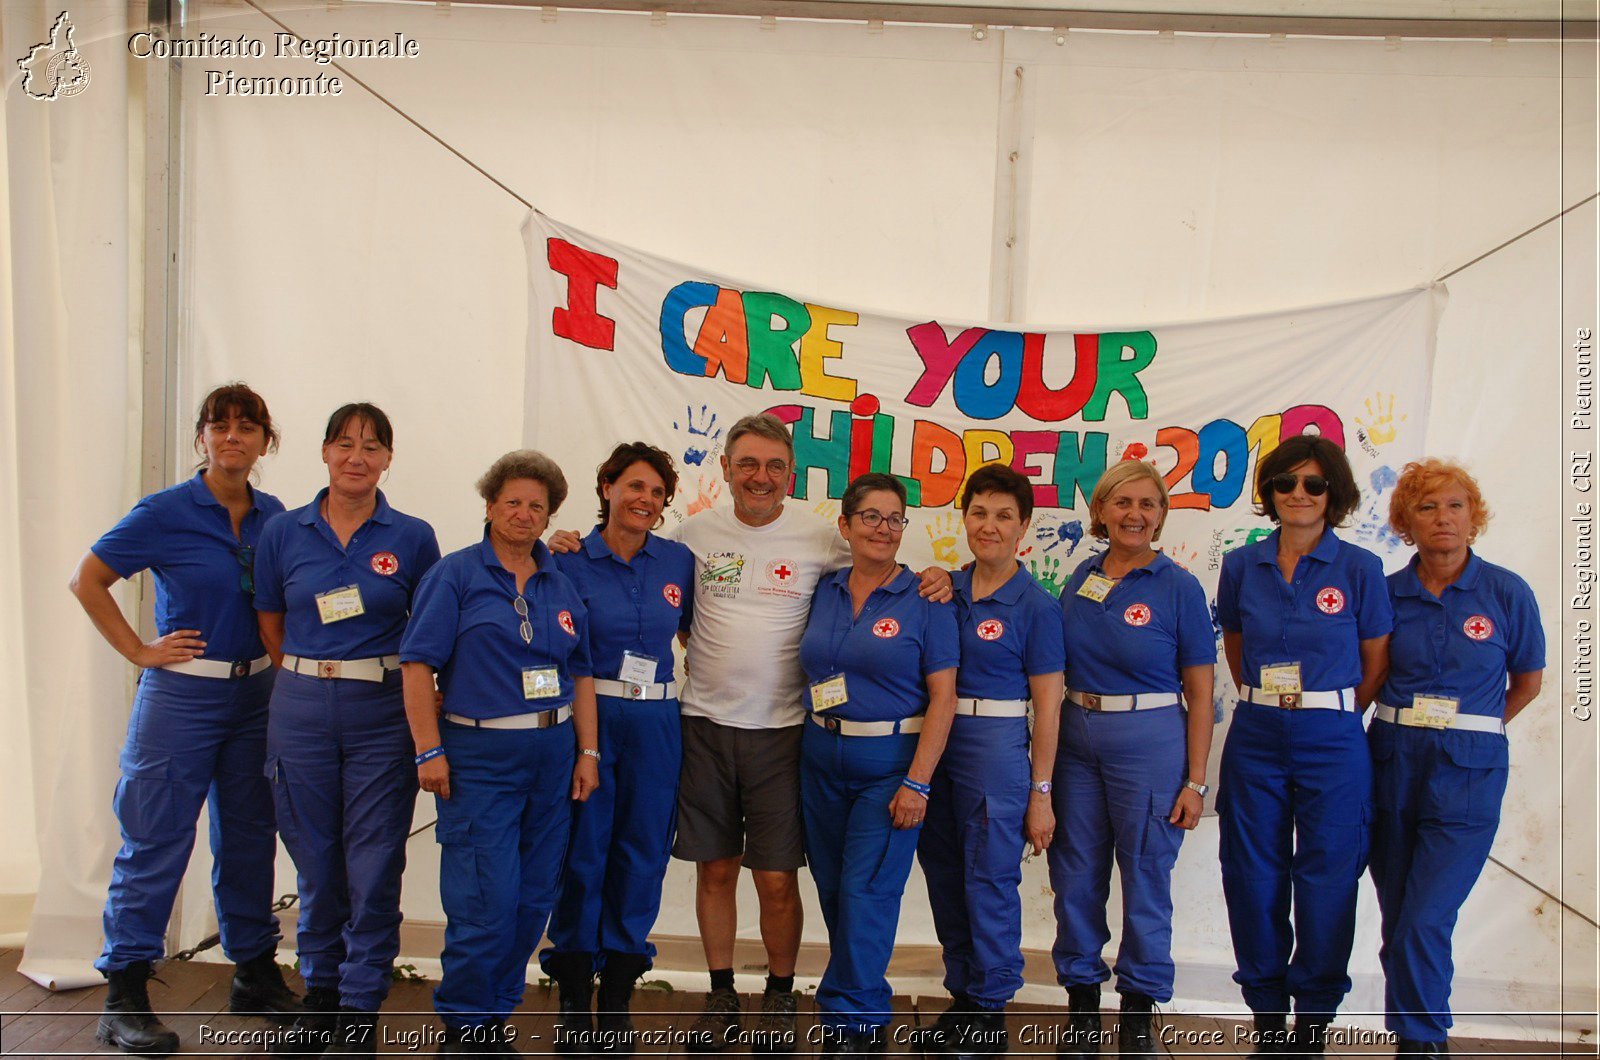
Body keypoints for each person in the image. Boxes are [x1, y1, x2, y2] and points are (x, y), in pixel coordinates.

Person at [547, 413, 950, 1053]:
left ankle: (782, 989)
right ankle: (721, 987)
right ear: (727, 470)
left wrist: (938, 577)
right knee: (714, 870)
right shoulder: (690, 537)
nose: (761, 478)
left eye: (774, 467)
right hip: (701, 724)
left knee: (775, 877)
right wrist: (568, 542)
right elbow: (652, 591)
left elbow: (886, 564)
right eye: (748, 465)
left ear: (790, 474)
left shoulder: (823, 537)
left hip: (786, 732)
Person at [70, 383, 301, 1056]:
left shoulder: (276, 517)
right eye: (219, 426)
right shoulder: (165, 512)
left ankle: (253, 973)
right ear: (201, 438)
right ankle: (125, 993)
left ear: (265, 441)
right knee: (156, 838)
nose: (233, 437)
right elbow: (88, 579)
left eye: (247, 427)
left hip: (256, 696)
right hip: (181, 699)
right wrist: (139, 650)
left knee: (252, 836)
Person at [253, 403, 441, 1055]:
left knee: (374, 860)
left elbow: (431, 630)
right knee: (315, 860)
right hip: (300, 708)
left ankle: (361, 1003)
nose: (356, 456)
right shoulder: (283, 531)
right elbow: (271, 620)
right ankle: (321, 993)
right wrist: (309, 676)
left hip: (382, 715)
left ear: (389, 458)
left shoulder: (413, 536)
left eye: (370, 446)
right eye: (344, 444)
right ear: (325, 452)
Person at [399, 450, 601, 1055]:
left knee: (534, 898)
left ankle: (495, 1017)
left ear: (549, 517)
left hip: (552, 754)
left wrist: (587, 752)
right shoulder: (456, 576)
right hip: (478, 754)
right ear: (489, 506)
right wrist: (426, 750)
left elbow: (583, 673)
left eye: (537, 506)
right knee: (485, 900)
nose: (523, 513)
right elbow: (417, 667)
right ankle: (465, 1027)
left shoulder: (560, 584)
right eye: (512, 501)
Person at [1214, 436, 1392, 1055]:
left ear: (1333, 493)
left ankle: (1313, 1019)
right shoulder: (1241, 565)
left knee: (1328, 874)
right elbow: (1236, 646)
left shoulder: (1361, 569)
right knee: (1251, 872)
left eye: (1313, 484)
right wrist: (1271, 700)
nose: (1298, 494)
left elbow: (1375, 663)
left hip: (1333, 738)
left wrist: (1330, 712)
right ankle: (1266, 1015)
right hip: (1257, 734)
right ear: (1270, 493)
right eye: (1286, 483)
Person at [1370, 460, 1543, 1058]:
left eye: (1455, 506)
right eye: (1427, 508)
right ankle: (1414, 1033)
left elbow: (1527, 681)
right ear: (1405, 523)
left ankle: (1423, 1041)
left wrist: (1475, 732)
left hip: (1468, 772)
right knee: (1399, 916)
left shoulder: (1506, 592)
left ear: (1474, 517)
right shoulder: (1386, 592)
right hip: (1390, 763)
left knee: (1425, 915)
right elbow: (1372, 672)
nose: (1442, 519)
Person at [1051, 459, 1216, 1060]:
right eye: (1123, 503)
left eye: (1148, 504)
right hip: (1075, 739)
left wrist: (1196, 780)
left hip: (1150, 741)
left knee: (1146, 873)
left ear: (1161, 516)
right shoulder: (1080, 579)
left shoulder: (1179, 586)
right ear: (1100, 512)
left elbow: (1201, 692)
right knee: (1075, 873)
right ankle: (1082, 1007)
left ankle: (1139, 1012)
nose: (1135, 515)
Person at [539, 443, 695, 1054]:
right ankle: (576, 990)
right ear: (605, 487)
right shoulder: (571, 559)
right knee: (583, 849)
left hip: (657, 718)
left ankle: (621, 991)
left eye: (657, 493)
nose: (645, 501)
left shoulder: (679, 562)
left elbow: (698, 632)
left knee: (642, 852)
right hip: (591, 717)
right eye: (633, 486)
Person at [798, 473, 959, 1057]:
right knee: (836, 889)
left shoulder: (925, 597)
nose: (884, 528)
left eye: (894, 519)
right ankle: (861, 997)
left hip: (890, 764)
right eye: (871, 516)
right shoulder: (825, 588)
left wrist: (918, 781)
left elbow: (944, 696)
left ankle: (853, 1024)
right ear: (845, 526)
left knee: (869, 892)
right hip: (818, 758)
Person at [911, 463, 1064, 1058]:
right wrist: (932, 573)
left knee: (990, 882)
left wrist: (1041, 791)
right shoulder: (941, 588)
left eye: (1004, 516)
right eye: (979, 513)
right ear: (964, 517)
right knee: (946, 878)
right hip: (934, 748)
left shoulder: (1038, 606)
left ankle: (990, 1008)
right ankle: (964, 996)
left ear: (1023, 526)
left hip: (996, 752)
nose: (990, 525)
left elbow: (1048, 709)